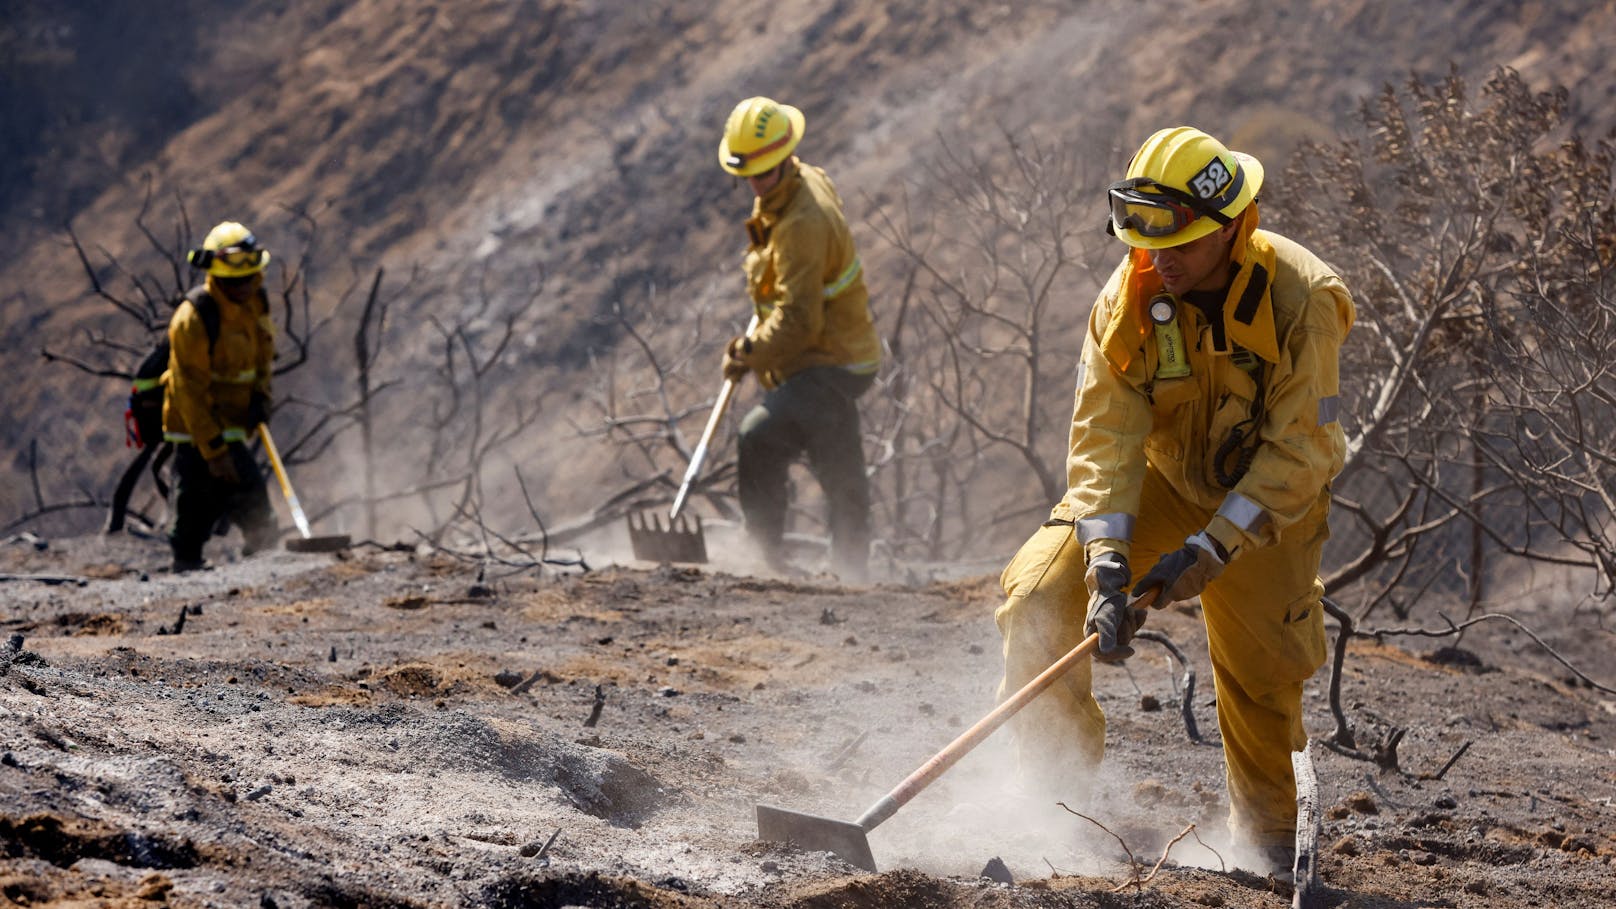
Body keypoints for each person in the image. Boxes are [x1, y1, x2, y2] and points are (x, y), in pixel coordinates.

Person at [993, 126, 1355, 875]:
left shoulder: (1303, 298)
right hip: (1160, 484)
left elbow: (1301, 452)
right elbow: (1103, 441)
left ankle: (1269, 847)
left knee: (1259, 677)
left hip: (1265, 508)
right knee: (1037, 596)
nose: (1159, 260)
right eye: (1146, 243)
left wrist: (1215, 545)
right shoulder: (1131, 297)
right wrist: (1107, 563)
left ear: (1231, 227)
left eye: (1181, 244)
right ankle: (1051, 802)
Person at [715, 96, 882, 582]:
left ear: (784, 159)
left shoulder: (801, 224)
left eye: (763, 175)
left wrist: (748, 352)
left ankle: (765, 559)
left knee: (759, 438)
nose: (754, 183)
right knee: (838, 462)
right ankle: (854, 571)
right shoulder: (796, 182)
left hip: (830, 362)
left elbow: (798, 321)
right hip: (835, 354)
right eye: (748, 175)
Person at [162, 220, 278, 571]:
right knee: (195, 503)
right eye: (235, 280)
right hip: (194, 428)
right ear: (217, 275)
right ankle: (185, 569)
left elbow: (262, 355)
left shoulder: (256, 302)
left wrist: (261, 396)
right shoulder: (193, 318)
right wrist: (212, 450)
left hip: (232, 422)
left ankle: (265, 568)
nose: (243, 286)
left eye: (249, 277)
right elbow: (188, 389)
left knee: (252, 498)